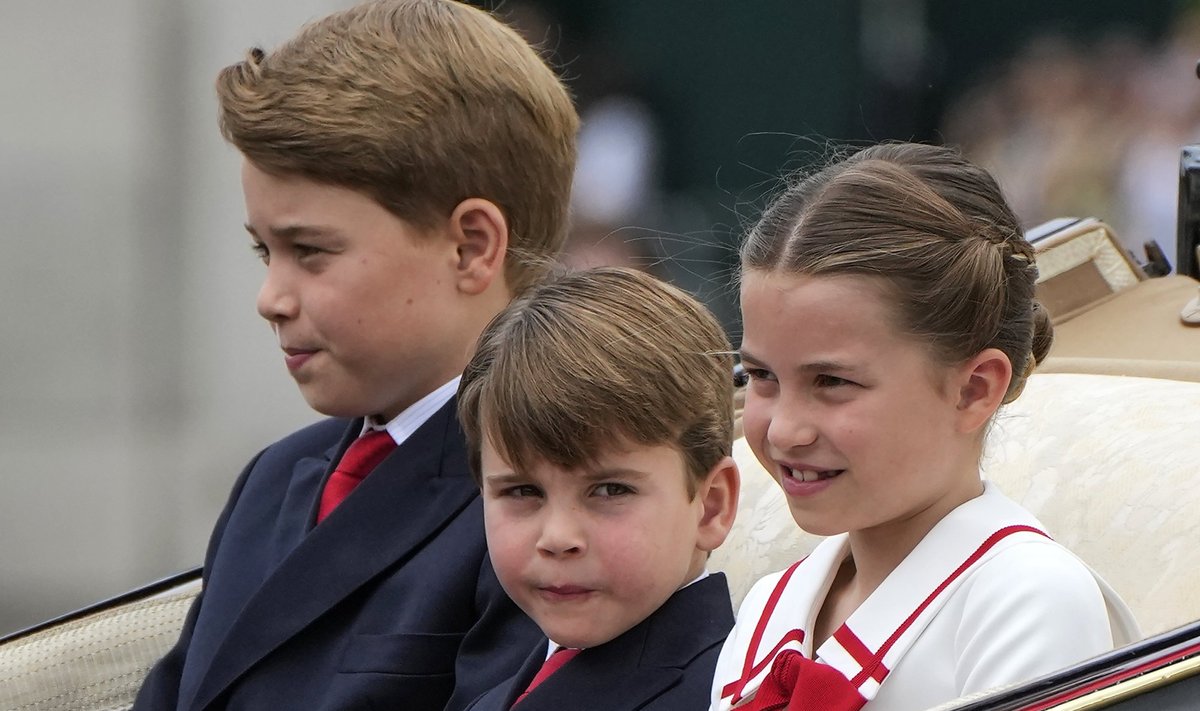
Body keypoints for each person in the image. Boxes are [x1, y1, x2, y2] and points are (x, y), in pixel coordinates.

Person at [133, 1, 578, 709]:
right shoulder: (275, 480)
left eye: (310, 251)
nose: (270, 297)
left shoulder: (555, 503)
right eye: (263, 249)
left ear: (470, 246)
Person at [712, 143, 1139, 711]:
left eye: (833, 382)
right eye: (761, 375)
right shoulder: (770, 610)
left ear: (974, 389)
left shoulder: (1027, 599)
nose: (786, 430)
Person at [455, 267, 741, 710]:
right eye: (523, 492)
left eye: (609, 491)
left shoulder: (730, 697)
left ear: (711, 506)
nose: (558, 538)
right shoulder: (491, 692)